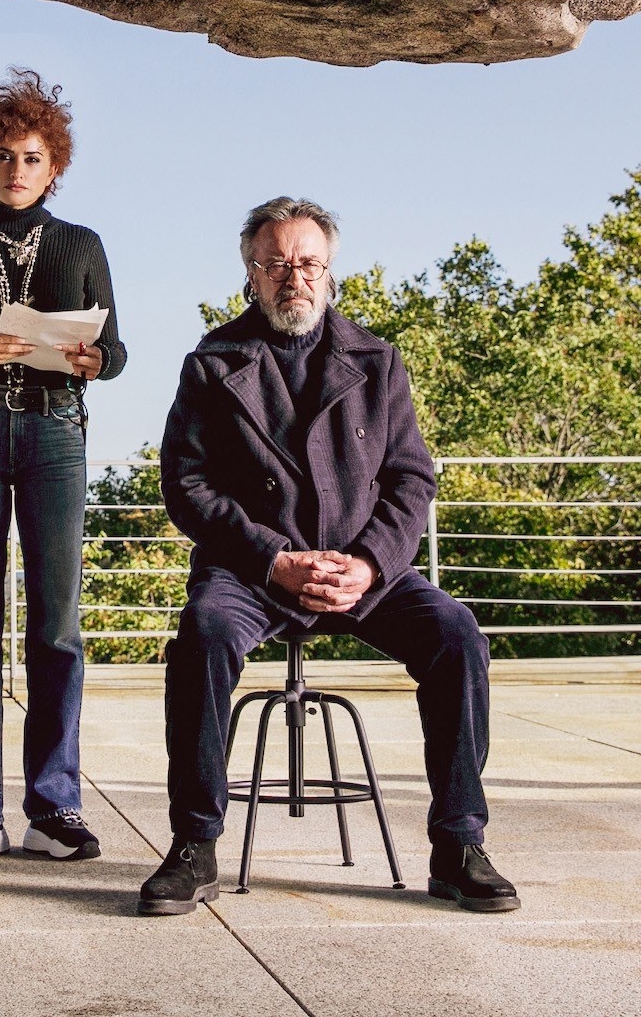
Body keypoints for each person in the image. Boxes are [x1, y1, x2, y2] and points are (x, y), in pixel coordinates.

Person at [135, 197, 517, 917]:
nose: (294, 277)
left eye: (308, 262)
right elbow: (185, 485)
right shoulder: (212, 364)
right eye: (276, 263)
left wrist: (370, 563)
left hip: (362, 568)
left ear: (331, 271)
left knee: (457, 632)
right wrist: (274, 559)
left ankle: (459, 843)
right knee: (203, 634)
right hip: (252, 573)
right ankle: (194, 845)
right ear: (251, 274)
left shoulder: (378, 361)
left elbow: (411, 479)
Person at [0, 70, 127, 864]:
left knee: (58, 628)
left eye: (32, 157)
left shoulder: (82, 245)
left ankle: (55, 806)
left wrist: (92, 357)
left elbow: (119, 350)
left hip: (55, 437)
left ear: (54, 166)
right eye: (2, 156)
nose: (16, 170)